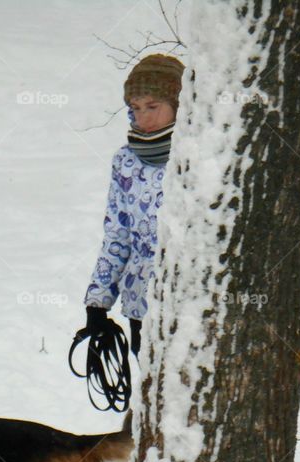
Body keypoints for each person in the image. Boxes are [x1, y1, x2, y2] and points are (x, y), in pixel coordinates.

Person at [81, 54, 185, 357]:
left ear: (179, 106)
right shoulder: (126, 162)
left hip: (193, 311)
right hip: (140, 307)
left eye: (153, 106)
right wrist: (97, 303)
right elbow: (118, 236)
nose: (144, 117)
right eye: (136, 108)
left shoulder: (200, 159)